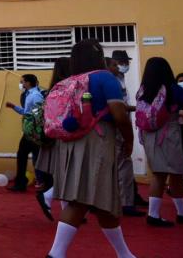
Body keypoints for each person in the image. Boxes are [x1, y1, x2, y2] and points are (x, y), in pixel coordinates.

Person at [46, 39, 137, 258]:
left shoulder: (69, 81)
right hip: (97, 141)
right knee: (84, 198)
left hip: (71, 143)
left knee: (101, 199)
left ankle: (124, 254)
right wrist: (129, 140)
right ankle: (55, 253)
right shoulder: (105, 78)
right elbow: (118, 114)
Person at [136, 57, 183, 226]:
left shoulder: (143, 90)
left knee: (158, 173)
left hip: (148, 134)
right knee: (176, 174)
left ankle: (154, 213)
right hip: (169, 133)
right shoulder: (172, 88)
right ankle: (180, 213)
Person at [109, 51, 148, 215]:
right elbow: (119, 107)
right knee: (123, 162)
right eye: (122, 62)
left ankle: (131, 195)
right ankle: (127, 203)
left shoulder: (120, 79)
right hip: (118, 124)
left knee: (121, 162)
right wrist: (139, 108)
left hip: (120, 121)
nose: (126, 65)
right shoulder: (112, 81)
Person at [35, 57, 71, 221]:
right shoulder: (69, 88)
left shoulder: (52, 90)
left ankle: (67, 209)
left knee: (63, 173)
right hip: (66, 135)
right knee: (68, 173)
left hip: (53, 135)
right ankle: (48, 195)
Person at [5, 74, 43, 192]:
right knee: (30, 156)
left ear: (28, 83)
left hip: (32, 132)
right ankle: (22, 182)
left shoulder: (35, 96)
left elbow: (38, 114)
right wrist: (14, 107)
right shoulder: (30, 95)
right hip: (30, 131)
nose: (21, 84)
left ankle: (22, 182)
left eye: (22, 82)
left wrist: (37, 131)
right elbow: (26, 112)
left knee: (25, 156)